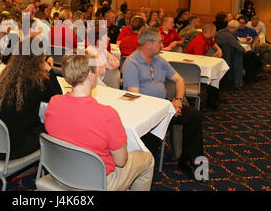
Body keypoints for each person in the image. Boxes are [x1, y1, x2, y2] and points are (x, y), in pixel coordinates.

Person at [45, 53, 155, 191]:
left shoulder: (53, 103)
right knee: (148, 159)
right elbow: (121, 162)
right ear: (90, 76)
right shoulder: (107, 115)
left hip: (60, 173)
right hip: (96, 182)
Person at [122, 27, 204, 177]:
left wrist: (178, 101)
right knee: (148, 149)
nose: (162, 44)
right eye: (160, 41)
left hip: (164, 106)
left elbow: (179, 79)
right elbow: (136, 97)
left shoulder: (159, 60)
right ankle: (139, 171)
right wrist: (165, 108)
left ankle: (188, 160)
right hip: (144, 113)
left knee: (195, 116)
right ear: (149, 43)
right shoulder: (131, 63)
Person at [0, 41, 62, 160]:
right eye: (43, 54)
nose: (45, 56)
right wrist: (49, 70)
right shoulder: (38, 80)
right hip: (10, 147)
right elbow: (58, 97)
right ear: (37, 58)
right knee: (50, 128)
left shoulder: (7, 73)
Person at [214, 20, 245, 90]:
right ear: (233, 29)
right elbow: (240, 49)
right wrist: (245, 50)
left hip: (221, 56)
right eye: (237, 30)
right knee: (241, 54)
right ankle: (237, 82)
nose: (236, 32)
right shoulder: (228, 36)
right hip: (228, 58)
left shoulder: (220, 32)